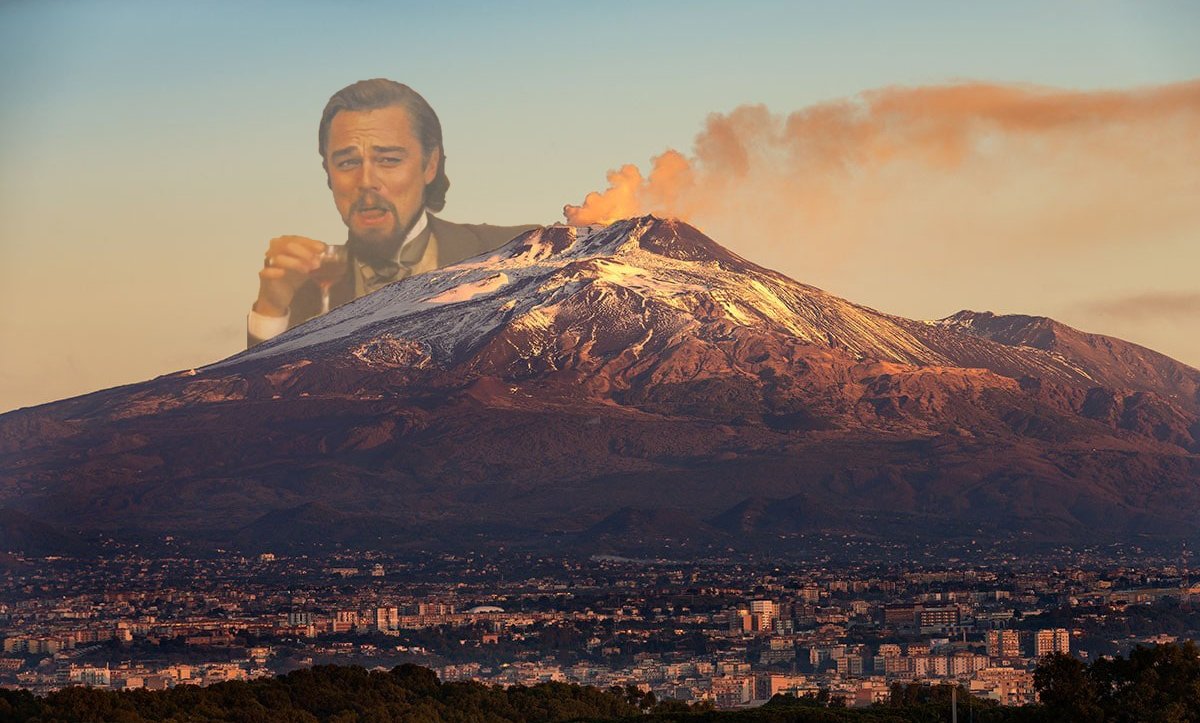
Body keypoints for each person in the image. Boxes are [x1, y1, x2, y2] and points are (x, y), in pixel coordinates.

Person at [248, 79, 537, 347]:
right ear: (328, 174)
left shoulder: (517, 249)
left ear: (430, 165)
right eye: (347, 163)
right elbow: (253, 396)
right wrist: (271, 309)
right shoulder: (303, 290)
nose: (366, 181)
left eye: (388, 160)